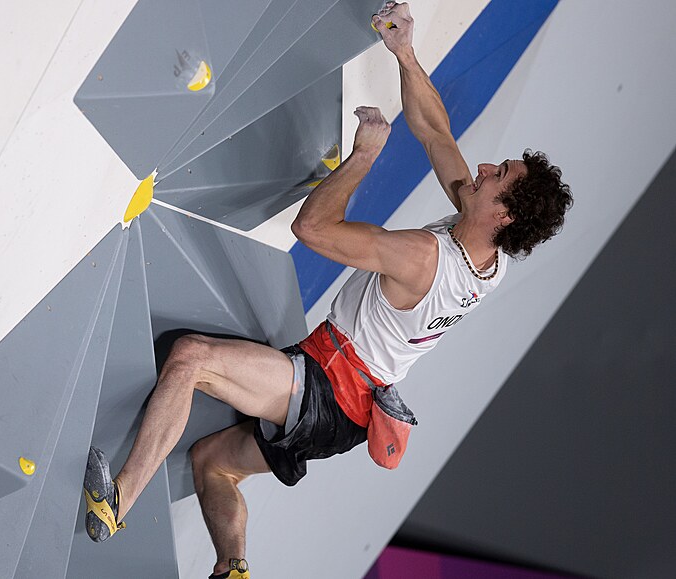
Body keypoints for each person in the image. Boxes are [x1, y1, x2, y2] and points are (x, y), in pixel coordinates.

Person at [82, 3, 573, 577]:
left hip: (324, 388)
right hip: (351, 417)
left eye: (500, 175)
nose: (486, 167)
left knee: (192, 359)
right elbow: (437, 133)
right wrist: (405, 53)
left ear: (505, 216)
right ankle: (232, 568)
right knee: (213, 463)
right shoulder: (490, 259)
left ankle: (114, 504)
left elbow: (312, 229)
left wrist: (363, 157)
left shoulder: (424, 258)